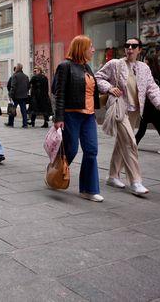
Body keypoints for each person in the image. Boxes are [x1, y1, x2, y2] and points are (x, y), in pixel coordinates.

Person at [96, 37, 160, 195]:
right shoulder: (115, 64)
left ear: (139, 50)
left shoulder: (143, 68)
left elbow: (152, 87)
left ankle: (112, 176)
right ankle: (135, 181)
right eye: (127, 45)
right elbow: (98, 78)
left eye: (133, 46)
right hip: (119, 108)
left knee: (121, 143)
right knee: (130, 142)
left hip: (136, 111)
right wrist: (109, 87)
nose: (130, 48)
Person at [54, 35, 103, 202]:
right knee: (72, 149)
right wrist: (58, 117)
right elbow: (59, 94)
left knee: (91, 151)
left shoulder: (87, 67)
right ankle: (55, 169)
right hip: (70, 114)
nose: (93, 50)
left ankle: (88, 190)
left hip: (89, 116)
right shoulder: (65, 66)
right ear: (81, 49)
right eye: (91, 47)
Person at [135, 55, 160, 155]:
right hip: (154, 107)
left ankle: (132, 145)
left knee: (143, 127)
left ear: (148, 62)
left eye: (145, 61)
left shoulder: (151, 75)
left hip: (150, 107)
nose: (143, 63)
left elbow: (151, 91)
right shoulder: (156, 74)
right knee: (155, 127)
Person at [6, 63, 30, 128]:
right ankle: (25, 124)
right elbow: (28, 86)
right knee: (24, 111)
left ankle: (11, 123)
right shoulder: (26, 76)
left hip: (15, 96)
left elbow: (13, 86)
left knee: (12, 109)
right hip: (23, 96)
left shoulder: (15, 76)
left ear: (17, 68)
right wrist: (25, 92)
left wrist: (10, 95)